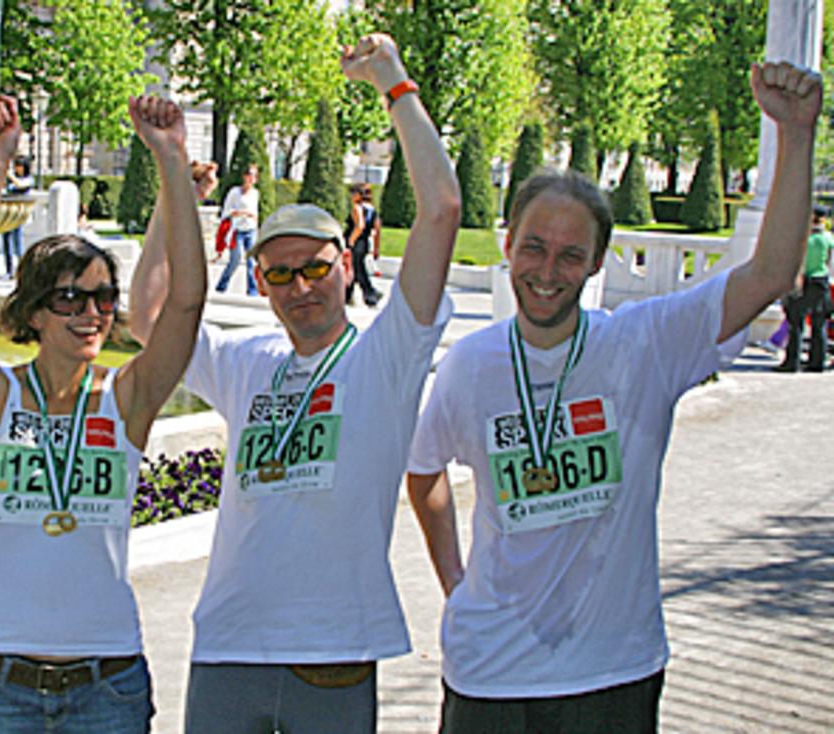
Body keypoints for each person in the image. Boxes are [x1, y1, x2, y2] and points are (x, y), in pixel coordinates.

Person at [405, 60, 821, 732]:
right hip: (490, 675)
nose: (547, 272)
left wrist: (796, 136)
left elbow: (772, 272)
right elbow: (423, 470)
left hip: (614, 673)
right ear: (508, 246)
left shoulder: (646, 344)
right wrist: (454, 581)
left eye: (571, 255)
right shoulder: (471, 367)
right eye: (534, 248)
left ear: (599, 262)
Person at [129, 33, 459, 732]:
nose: (300, 287)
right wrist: (174, 194)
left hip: (332, 654)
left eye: (314, 267)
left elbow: (441, 210)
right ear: (260, 283)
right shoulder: (250, 362)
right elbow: (146, 315)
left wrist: (395, 84)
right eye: (279, 274)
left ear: (346, 263)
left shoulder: (387, 355)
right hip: (228, 649)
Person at [0, 91, 205, 733]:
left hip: (105, 687)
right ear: (34, 311)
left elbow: (185, 306)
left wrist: (172, 159)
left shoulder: (127, 399)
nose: (92, 314)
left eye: (103, 298)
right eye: (71, 298)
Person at [775, 203, 833, 372]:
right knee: (819, 323)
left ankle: (792, 362)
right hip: (820, 281)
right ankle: (817, 362)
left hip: (801, 280)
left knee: (796, 324)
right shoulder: (827, 238)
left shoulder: (801, 238)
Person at [215, 164, 260, 296]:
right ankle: (222, 285)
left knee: (251, 261)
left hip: (250, 229)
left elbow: (256, 212)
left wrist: (257, 227)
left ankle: (252, 289)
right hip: (237, 230)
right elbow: (226, 211)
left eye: (255, 175)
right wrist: (242, 212)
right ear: (245, 176)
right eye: (251, 174)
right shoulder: (235, 192)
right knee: (235, 259)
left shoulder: (256, 193)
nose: (253, 178)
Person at [345, 183, 382, 306]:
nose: (352, 196)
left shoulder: (357, 208)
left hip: (356, 242)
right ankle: (348, 296)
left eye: (354, 193)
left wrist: (351, 240)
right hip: (364, 243)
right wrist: (376, 248)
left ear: (360, 195)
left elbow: (359, 225)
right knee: (355, 269)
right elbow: (377, 229)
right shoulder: (372, 210)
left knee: (356, 269)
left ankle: (371, 294)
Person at [2, 158, 34, 279]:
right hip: (7, 214)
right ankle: (9, 270)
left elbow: (20, 185)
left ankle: (22, 269)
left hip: (18, 214)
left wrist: (9, 174)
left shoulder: (28, 180)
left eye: (19, 165)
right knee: (6, 243)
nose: (17, 168)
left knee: (17, 242)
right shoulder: (11, 180)